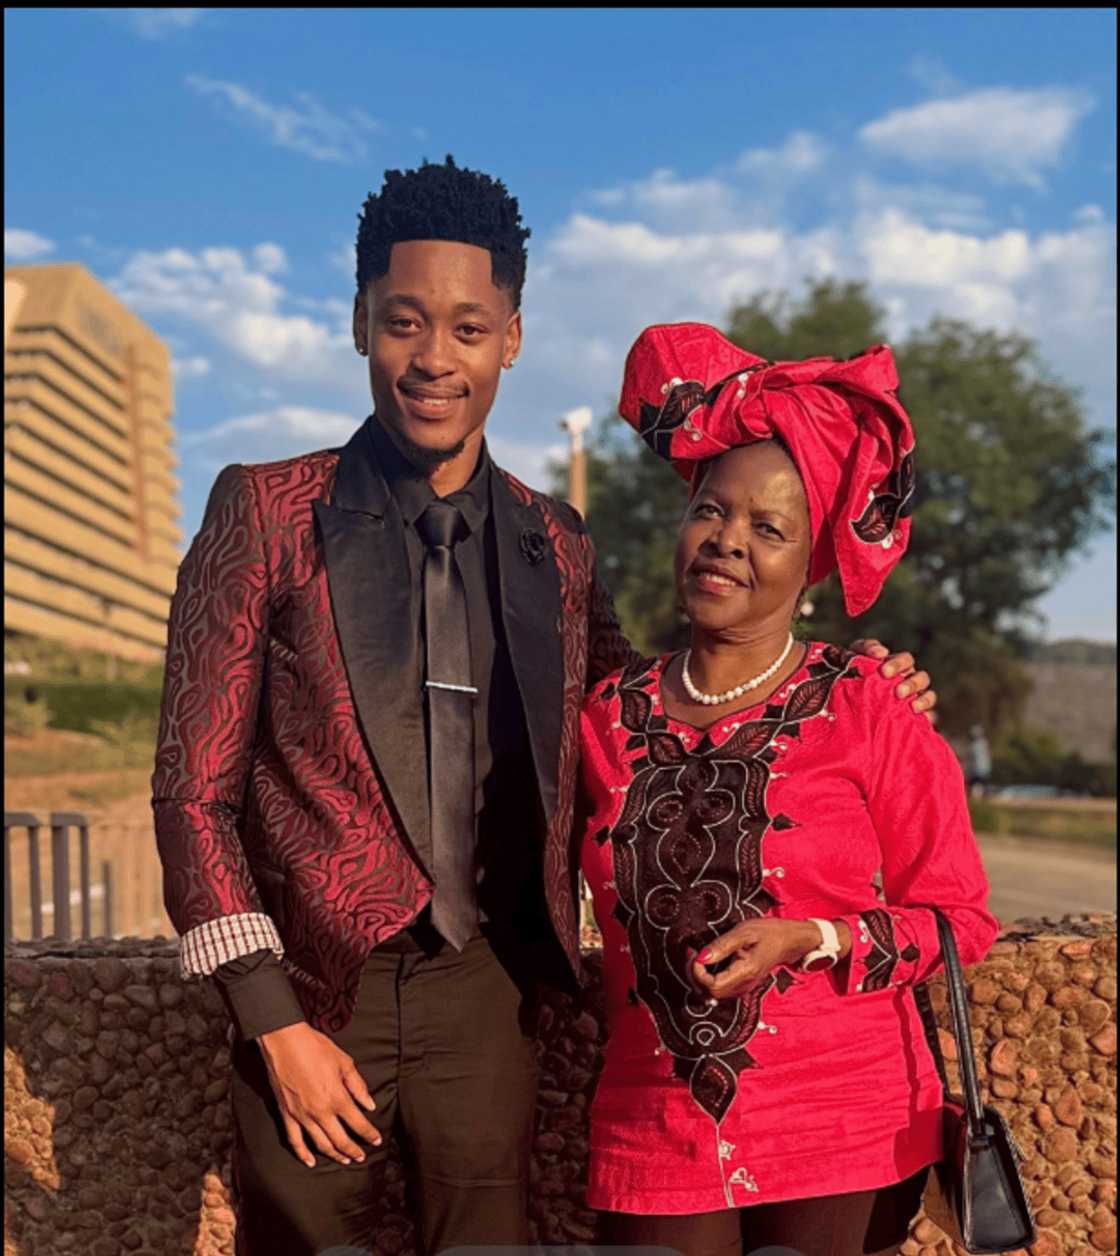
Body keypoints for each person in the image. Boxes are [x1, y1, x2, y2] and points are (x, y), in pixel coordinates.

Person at [151, 160, 937, 1256]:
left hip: (492, 994)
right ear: (357, 322)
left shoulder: (552, 539)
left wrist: (843, 685)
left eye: (468, 328)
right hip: (314, 991)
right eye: (403, 322)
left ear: (510, 339)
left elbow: (658, 713)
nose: (435, 358)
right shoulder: (265, 507)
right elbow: (191, 791)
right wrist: (269, 1017)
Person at [579, 323, 998, 1256]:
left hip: (848, 1127)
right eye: (711, 512)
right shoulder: (604, 718)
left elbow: (960, 919)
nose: (726, 542)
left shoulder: (872, 708)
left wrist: (815, 937)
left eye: (767, 528)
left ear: (811, 566)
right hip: (654, 1127)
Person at [967, 723, 992, 796]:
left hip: (980, 767)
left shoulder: (978, 744)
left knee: (980, 782)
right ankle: (983, 794)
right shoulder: (982, 743)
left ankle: (984, 794)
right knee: (980, 782)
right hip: (980, 767)